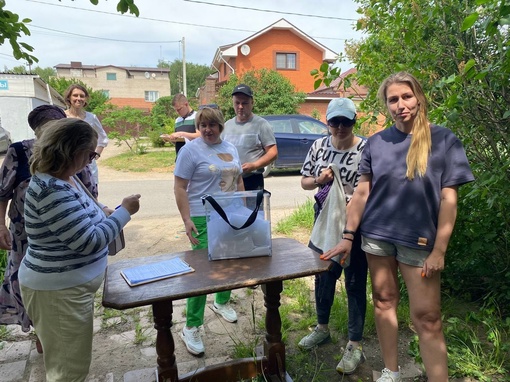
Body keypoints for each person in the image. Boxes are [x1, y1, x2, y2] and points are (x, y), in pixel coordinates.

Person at [322, 72, 474, 382]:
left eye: (406, 96)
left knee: (428, 318)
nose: (400, 104)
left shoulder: (444, 140)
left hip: (419, 242)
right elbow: (363, 192)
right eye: (393, 99)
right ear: (386, 105)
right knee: (383, 301)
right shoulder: (376, 142)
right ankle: (391, 371)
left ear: (419, 97)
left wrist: (439, 250)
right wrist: (348, 237)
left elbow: (448, 199)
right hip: (376, 237)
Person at [18, 118, 140, 382]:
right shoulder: (51, 190)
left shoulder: (66, 179)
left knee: (71, 364)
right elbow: (89, 241)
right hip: (57, 295)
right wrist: (124, 213)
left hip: (65, 291)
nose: (92, 160)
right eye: (90, 153)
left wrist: (105, 212)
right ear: (71, 151)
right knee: (68, 372)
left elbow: (82, 216)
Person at [0, 106, 97, 351]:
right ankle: (41, 331)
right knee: (29, 279)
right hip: (26, 232)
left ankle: (54, 330)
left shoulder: (73, 152)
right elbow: (2, 192)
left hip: (66, 226)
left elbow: (89, 190)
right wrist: (0, 225)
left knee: (58, 278)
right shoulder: (20, 151)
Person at [298, 98, 368, 375]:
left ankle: (355, 344)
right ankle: (322, 327)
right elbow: (304, 180)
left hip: (356, 222)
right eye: (334, 122)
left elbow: (369, 187)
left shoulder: (365, 148)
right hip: (325, 217)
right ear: (327, 122)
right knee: (324, 275)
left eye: (346, 122)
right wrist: (319, 180)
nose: (340, 127)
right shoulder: (318, 146)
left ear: (354, 122)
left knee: (354, 282)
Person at [174, 107, 244, 356]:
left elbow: (238, 180)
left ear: (221, 126)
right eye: (202, 125)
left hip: (229, 214)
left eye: (212, 125)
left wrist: (243, 210)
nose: (207, 129)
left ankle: (221, 301)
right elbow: (180, 187)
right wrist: (186, 219)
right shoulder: (190, 150)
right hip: (202, 215)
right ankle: (191, 326)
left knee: (228, 261)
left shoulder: (231, 148)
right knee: (203, 272)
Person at [221, 84, 277, 191]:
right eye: (237, 103)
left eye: (245, 103)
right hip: (230, 181)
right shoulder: (226, 126)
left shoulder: (262, 125)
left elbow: (273, 152)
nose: (240, 107)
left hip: (252, 180)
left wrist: (254, 165)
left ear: (252, 103)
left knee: (252, 208)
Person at [64, 84, 109, 185]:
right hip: (67, 165)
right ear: (69, 97)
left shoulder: (91, 117)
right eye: (75, 95)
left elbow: (103, 137)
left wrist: (95, 155)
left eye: (82, 96)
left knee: (92, 195)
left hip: (87, 166)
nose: (78, 98)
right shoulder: (62, 116)